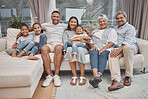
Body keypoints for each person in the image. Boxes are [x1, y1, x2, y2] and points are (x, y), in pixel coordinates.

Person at [108, 11, 138, 91]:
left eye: (121, 17)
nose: (119, 19)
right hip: (118, 48)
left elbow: (128, 42)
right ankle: (117, 81)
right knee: (111, 54)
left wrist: (118, 50)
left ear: (126, 18)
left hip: (130, 47)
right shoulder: (114, 29)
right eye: (117, 18)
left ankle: (128, 76)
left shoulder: (130, 28)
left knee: (127, 48)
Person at [88, 14, 117, 88]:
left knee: (103, 54)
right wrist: (92, 46)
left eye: (104, 21)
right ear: (98, 22)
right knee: (93, 52)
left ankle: (97, 77)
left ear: (107, 21)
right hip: (96, 48)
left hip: (106, 49)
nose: (102, 22)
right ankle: (96, 77)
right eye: (100, 21)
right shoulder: (95, 31)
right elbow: (90, 42)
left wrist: (102, 49)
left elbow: (112, 42)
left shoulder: (112, 30)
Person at [40, 11, 67, 87]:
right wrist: (21, 33)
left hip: (58, 44)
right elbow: (35, 27)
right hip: (49, 44)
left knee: (58, 48)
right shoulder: (45, 25)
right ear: (51, 17)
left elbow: (75, 26)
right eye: (54, 16)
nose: (55, 18)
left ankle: (56, 75)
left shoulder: (63, 26)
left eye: (57, 17)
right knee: (43, 48)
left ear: (59, 18)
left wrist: (87, 31)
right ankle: (49, 76)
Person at [63, 16, 90, 86]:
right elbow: (66, 41)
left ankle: (82, 75)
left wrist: (82, 38)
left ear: (77, 23)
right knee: (69, 49)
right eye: (71, 22)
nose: (73, 23)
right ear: (69, 23)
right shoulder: (66, 32)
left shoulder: (82, 31)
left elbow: (87, 39)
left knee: (79, 49)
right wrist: (75, 40)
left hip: (82, 47)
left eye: (75, 22)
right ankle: (74, 76)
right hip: (72, 47)